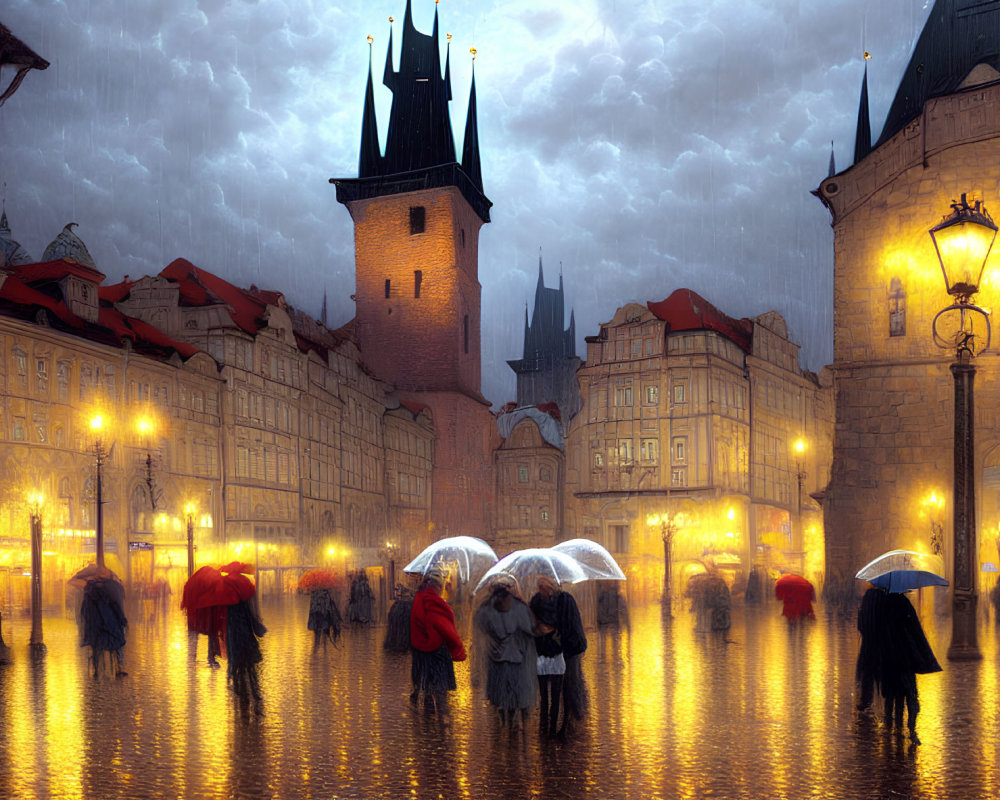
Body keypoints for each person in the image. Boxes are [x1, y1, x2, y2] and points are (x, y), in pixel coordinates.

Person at [474, 574, 538, 731]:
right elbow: (530, 628)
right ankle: (514, 719)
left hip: (496, 658)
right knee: (515, 690)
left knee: (501, 691)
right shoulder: (518, 607)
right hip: (515, 657)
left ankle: (506, 716)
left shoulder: (486, 608)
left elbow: (480, 625)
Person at [881, 590, 941, 744]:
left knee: (892, 697)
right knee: (910, 695)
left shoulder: (882, 606)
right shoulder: (905, 604)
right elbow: (916, 631)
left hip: (889, 659)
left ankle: (893, 728)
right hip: (905, 658)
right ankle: (911, 730)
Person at [409, 567, 466, 722]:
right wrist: (458, 648)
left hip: (420, 651)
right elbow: (444, 626)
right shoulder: (433, 601)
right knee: (440, 690)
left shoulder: (418, 599)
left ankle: (428, 723)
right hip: (436, 651)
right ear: (438, 586)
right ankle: (442, 724)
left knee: (427, 688)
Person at [530, 576, 565, 736]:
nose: (541, 589)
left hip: (556, 650)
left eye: (543, 586)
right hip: (542, 651)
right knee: (543, 693)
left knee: (556, 693)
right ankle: (544, 722)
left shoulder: (559, 601)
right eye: (539, 586)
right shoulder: (535, 601)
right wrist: (538, 627)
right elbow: (530, 621)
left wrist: (552, 628)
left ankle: (553, 724)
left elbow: (563, 622)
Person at [80, 575, 128, 678]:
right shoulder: (109, 591)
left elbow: (84, 611)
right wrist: (122, 620)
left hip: (96, 627)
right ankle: (119, 668)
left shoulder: (89, 594)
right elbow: (116, 607)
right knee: (118, 644)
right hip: (109, 625)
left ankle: (96, 670)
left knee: (96, 648)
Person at [307, 587, 342, 653]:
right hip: (323, 616)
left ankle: (315, 653)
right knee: (324, 635)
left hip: (317, 617)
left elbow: (312, 607)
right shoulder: (326, 594)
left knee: (317, 636)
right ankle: (323, 652)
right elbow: (328, 606)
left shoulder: (314, 593)